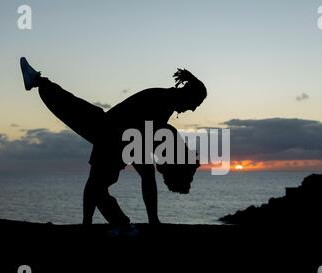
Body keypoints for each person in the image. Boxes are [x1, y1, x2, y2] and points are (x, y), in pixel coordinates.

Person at [20, 57, 206, 226]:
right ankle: (110, 222)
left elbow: (150, 139)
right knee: (71, 108)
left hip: (119, 135)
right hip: (112, 135)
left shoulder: (166, 102)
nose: (192, 109)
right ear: (189, 95)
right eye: (195, 105)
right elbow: (146, 136)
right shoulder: (163, 102)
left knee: (71, 108)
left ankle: (99, 222)